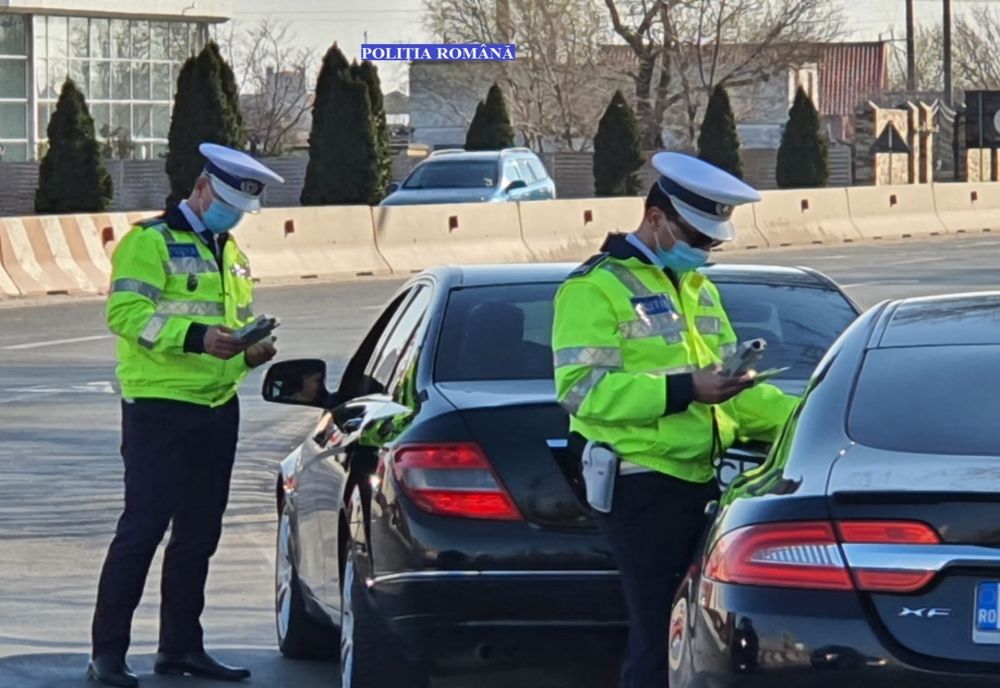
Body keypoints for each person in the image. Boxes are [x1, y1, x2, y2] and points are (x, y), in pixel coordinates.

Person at [551, 152, 799, 688]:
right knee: (659, 632)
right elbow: (582, 392)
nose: (704, 252)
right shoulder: (595, 287)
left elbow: (730, 397)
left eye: (712, 243)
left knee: (691, 635)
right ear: (656, 217)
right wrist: (688, 388)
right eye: (698, 238)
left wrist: (811, 415)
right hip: (639, 486)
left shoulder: (697, 288)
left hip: (700, 482)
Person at [88, 143, 284, 687]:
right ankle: (107, 653)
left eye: (241, 210)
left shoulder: (231, 251)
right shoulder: (149, 242)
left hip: (218, 407)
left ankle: (180, 648)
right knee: (143, 529)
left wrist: (249, 351)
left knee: (199, 535)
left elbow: (233, 323)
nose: (232, 215)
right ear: (201, 188)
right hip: (158, 408)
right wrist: (197, 337)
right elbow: (126, 314)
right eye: (225, 203)